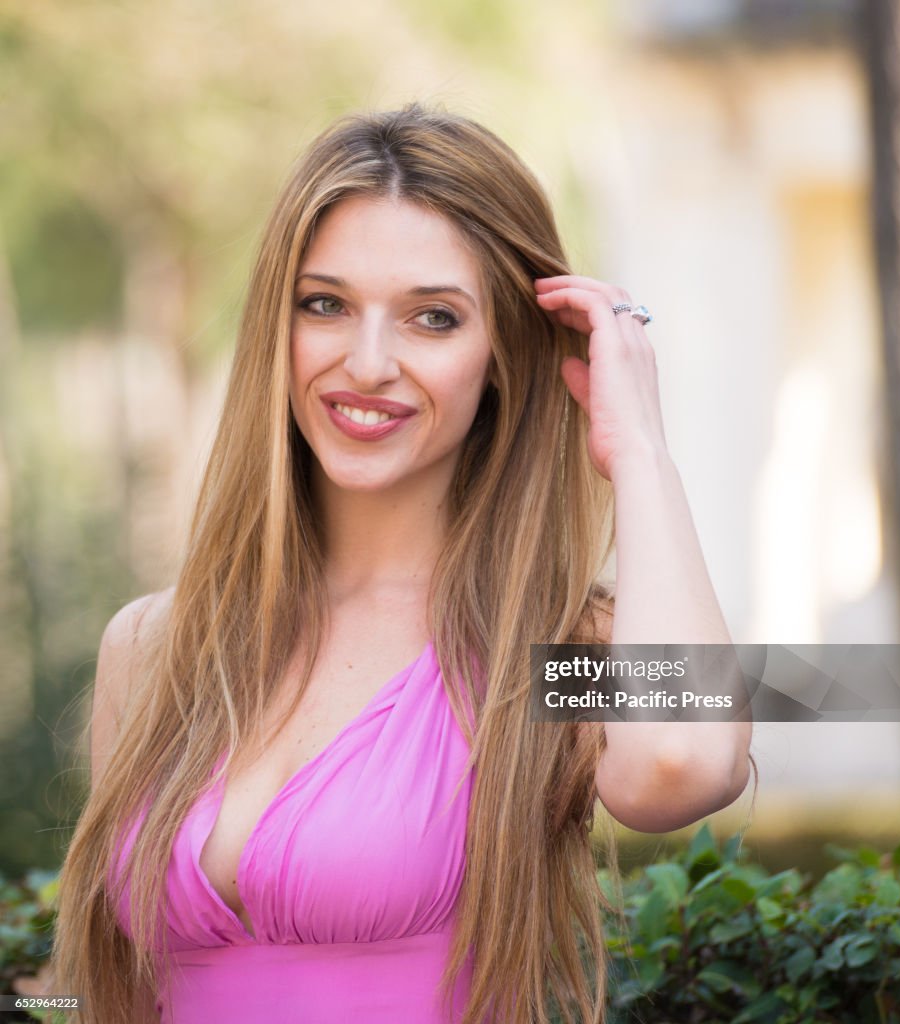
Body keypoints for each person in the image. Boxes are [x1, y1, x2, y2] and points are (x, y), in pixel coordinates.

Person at [50, 102, 755, 1024]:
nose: (368, 362)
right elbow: (120, 995)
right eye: (326, 304)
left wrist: (639, 451)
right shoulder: (153, 644)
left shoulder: (545, 650)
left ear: (502, 355)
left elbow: (682, 762)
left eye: (432, 318)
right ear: (278, 326)